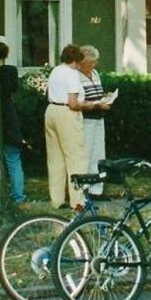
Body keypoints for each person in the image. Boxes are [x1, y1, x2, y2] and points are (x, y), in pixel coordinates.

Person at [45, 45, 89, 209]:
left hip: (51, 110)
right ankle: (78, 201)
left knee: (55, 158)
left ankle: (57, 200)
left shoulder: (56, 71)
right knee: (76, 158)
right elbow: (73, 103)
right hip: (66, 113)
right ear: (77, 60)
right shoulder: (72, 75)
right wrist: (93, 104)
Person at [77, 45, 111, 200]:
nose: (93, 65)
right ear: (82, 62)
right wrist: (97, 104)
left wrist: (105, 96)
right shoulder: (76, 76)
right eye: (90, 62)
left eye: (94, 62)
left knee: (99, 153)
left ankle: (97, 189)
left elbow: (96, 93)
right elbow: (78, 100)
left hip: (99, 117)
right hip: (86, 118)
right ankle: (85, 188)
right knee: (87, 153)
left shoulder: (95, 73)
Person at [0, 42, 26, 204]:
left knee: (10, 158)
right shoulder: (11, 71)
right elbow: (14, 90)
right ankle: (18, 195)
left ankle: (16, 195)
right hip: (9, 118)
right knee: (13, 159)